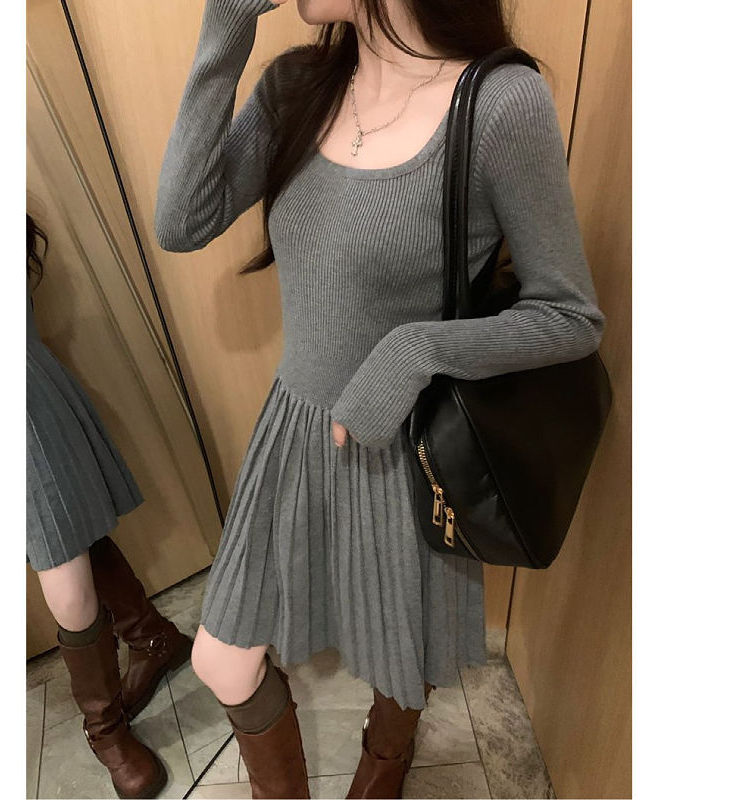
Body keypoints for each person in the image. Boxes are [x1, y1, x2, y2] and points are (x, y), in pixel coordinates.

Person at [154, 1, 606, 798]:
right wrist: (225, 26)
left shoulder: (500, 102)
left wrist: (415, 350)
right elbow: (181, 221)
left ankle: (384, 764)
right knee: (222, 658)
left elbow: (570, 316)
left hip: (410, 443)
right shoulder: (297, 86)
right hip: (295, 431)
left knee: (403, 645)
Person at [26, 214, 193, 799]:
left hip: (24, 402)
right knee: (74, 540)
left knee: (69, 555)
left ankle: (106, 730)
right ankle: (153, 638)